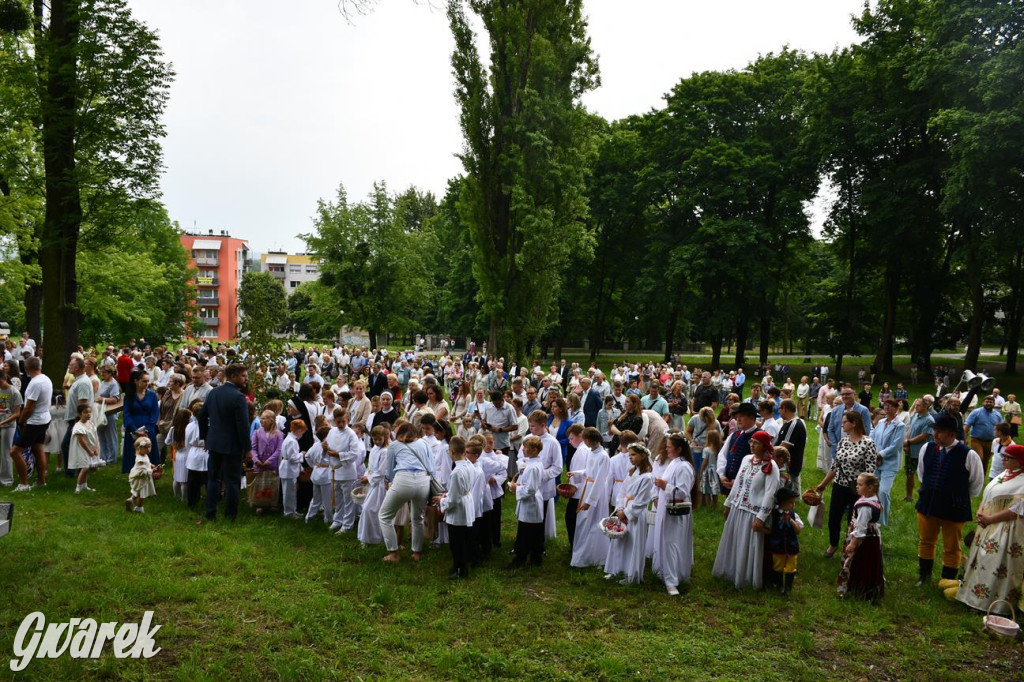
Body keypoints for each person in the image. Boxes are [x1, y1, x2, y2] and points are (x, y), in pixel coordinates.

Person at [915, 413, 985, 587]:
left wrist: (957, 494)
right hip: (928, 503)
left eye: (939, 431)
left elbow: (976, 483)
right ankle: (924, 576)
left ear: (952, 434)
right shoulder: (927, 448)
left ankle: (947, 580)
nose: (935, 434)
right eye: (934, 430)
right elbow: (922, 473)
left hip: (954, 507)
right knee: (926, 540)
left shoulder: (969, 455)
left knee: (952, 546)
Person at [953, 444, 1024, 614]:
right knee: (980, 562)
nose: (1004, 459)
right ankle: (972, 598)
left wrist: (991, 518)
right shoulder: (1003, 475)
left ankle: (993, 604)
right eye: (1004, 456)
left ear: (1020, 462)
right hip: (987, 524)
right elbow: (988, 496)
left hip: (1005, 529)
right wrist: (980, 511)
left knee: (994, 564)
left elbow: (1017, 509)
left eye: (1008, 457)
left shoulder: (1022, 482)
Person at [712, 430, 781, 590]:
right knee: (734, 540)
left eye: (756, 443)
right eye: (751, 442)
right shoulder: (746, 460)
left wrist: (761, 517)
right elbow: (737, 484)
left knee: (747, 545)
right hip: (738, 507)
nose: (752, 445)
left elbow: (770, 494)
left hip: (753, 512)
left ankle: (745, 578)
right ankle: (730, 571)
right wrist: (728, 503)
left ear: (764, 446)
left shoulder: (771, 467)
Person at [814, 411, 878, 559]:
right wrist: (823, 484)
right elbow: (835, 466)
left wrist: (866, 493)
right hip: (839, 485)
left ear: (854, 423)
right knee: (834, 518)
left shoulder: (868, 443)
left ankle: (851, 546)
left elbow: (870, 471)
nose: (842, 424)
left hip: (858, 489)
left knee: (854, 519)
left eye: (844, 422)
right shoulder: (843, 442)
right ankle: (833, 544)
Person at [196, 364, 253, 522]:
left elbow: (201, 415)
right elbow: (243, 425)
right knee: (232, 481)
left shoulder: (214, 392)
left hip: (213, 443)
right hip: (232, 446)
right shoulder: (238, 397)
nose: (246, 379)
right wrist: (247, 448)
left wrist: (205, 437)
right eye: (243, 376)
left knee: (213, 480)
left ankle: (210, 513)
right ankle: (230, 516)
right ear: (233, 376)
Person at [379, 422, 434, 563]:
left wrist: (390, 482)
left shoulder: (394, 445)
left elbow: (390, 471)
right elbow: (431, 468)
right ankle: (417, 553)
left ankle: (393, 553)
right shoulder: (424, 443)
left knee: (384, 516)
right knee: (417, 518)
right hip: (423, 481)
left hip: (403, 479)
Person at [603, 443, 655, 586]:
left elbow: (642, 500)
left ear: (643, 456)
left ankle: (631, 575)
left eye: (633, 455)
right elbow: (622, 491)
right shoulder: (632, 471)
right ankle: (616, 569)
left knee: (633, 543)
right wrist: (619, 507)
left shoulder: (647, 477)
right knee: (619, 542)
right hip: (623, 510)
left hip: (635, 514)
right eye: (629, 455)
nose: (630, 458)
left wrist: (626, 513)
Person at [652, 433, 695, 596]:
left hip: (676, 512)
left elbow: (682, 492)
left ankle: (672, 581)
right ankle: (665, 573)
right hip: (666, 508)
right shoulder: (674, 463)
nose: (666, 449)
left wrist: (664, 485)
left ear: (679, 449)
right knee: (667, 542)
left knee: (672, 544)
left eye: (669, 447)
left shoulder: (683, 467)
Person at [434, 436, 482, 580]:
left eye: (449, 450)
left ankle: (460, 568)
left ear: (453, 450)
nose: (448, 452)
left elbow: (453, 500)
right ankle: (461, 566)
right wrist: (448, 494)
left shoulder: (456, 472)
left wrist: (442, 500)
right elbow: (459, 490)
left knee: (456, 541)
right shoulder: (469, 464)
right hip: (466, 501)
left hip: (458, 508)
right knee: (463, 538)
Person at [837, 473, 885, 601]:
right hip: (872, 537)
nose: (856, 487)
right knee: (870, 563)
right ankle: (869, 590)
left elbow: (861, 527)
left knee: (860, 562)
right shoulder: (873, 498)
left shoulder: (865, 506)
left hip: (864, 540)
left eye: (860, 484)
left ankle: (860, 590)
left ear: (870, 487)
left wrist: (853, 543)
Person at [570, 427, 612, 569]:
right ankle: (582, 554)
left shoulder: (603, 456)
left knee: (593, 523)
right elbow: (588, 471)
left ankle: (595, 557)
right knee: (583, 523)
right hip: (587, 488)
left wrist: (590, 501)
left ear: (588, 440)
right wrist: (576, 473)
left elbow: (600, 480)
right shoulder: (591, 453)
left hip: (596, 493)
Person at [507, 435, 545, 569]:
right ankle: (535, 556)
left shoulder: (533, 467)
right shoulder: (533, 463)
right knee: (532, 531)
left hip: (531, 503)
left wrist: (515, 488)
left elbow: (530, 490)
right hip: (531, 501)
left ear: (534, 450)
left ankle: (521, 558)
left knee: (526, 532)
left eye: (525, 448)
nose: (522, 450)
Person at [872, 399, 907, 526]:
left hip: (889, 463)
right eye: (885, 405)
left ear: (896, 408)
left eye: (890, 406)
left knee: (883, 491)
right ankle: (872, 516)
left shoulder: (900, 425)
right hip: (875, 462)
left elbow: (896, 446)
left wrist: (881, 454)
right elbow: (873, 438)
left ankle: (882, 521)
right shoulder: (881, 422)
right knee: (872, 490)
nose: (887, 408)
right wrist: (873, 453)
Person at [767, 487, 803, 596]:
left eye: (793, 503)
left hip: (791, 546)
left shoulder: (793, 515)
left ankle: (788, 588)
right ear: (782, 503)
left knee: (791, 567)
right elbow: (770, 529)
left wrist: (791, 521)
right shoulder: (774, 514)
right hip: (778, 545)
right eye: (790, 503)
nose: (793, 505)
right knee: (777, 566)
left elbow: (798, 531)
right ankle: (779, 585)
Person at [122, 372, 159, 474]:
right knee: (134, 454)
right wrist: (134, 429)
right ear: (136, 381)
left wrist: (147, 428)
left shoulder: (152, 395)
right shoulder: (129, 396)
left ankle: (151, 477)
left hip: (148, 430)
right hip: (133, 430)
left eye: (148, 381)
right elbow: (127, 413)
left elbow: (155, 413)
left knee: (148, 454)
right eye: (144, 381)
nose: (147, 383)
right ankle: (135, 479)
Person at [825, 384, 873, 461]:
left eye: (847, 394)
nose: (844, 396)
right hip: (838, 448)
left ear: (854, 394)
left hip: (856, 449)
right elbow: (830, 429)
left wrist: (857, 445)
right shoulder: (835, 410)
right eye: (842, 394)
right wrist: (835, 445)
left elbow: (866, 430)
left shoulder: (863, 410)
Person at [965, 395, 1003, 477]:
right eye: (987, 401)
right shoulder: (976, 412)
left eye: (991, 402)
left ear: (994, 403)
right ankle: (971, 477)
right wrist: (964, 438)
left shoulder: (997, 414)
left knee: (985, 462)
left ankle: (981, 479)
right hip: (977, 440)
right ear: (983, 402)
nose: (988, 403)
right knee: (979, 459)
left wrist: (1001, 439)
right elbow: (967, 425)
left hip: (991, 442)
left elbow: (1001, 428)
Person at [0, 368, 24, 487]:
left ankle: (7, 480)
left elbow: (16, 413)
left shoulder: (14, 392)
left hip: (8, 425)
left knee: (6, 452)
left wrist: (3, 422)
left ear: (4, 378)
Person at [279, 419, 306, 520]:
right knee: (288, 493)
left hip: (290, 469)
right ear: (298, 430)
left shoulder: (291, 439)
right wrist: (301, 454)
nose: (302, 434)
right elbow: (292, 457)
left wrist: (300, 467)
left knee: (292, 491)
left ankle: (293, 510)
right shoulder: (291, 441)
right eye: (302, 432)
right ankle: (289, 512)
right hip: (288, 469)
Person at [69, 404, 100, 493]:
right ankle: (78, 487)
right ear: (80, 414)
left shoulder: (91, 424)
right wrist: (89, 451)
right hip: (82, 449)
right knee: (85, 467)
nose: (88, 414)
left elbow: (96, 436)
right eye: (85, 412)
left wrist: (96, 448)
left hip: (90, 448)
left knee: (88, 467)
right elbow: (81, 440)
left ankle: (84, 485)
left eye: (89, 412)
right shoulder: (78, 426)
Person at [126, 436, 157, 513]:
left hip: (143, 478)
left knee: (137, 491)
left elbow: (147, 463)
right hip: (142, 478)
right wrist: (152, 470)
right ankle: (139, 508)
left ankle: (130, 499)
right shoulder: (140, 460)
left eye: (149, 447)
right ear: (139, 449)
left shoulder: (144, 455)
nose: (148, 449)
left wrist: (151, 465)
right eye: (145, 448)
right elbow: (142, 471)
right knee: (142, 495)